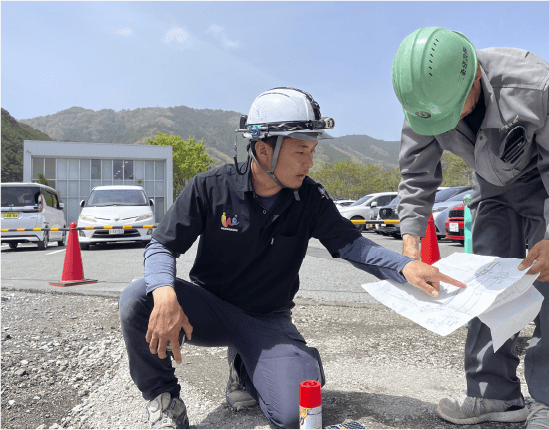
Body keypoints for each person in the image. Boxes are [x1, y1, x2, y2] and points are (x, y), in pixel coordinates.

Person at [119, 87, 465, 430]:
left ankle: (246, 367)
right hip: (210, 310)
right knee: (139, 296)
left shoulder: (310, 198)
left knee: (296, 414)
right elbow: (162, 246)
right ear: (264, 149)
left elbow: (353, 245)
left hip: (267, 320)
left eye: (313, 150)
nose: (310, 162)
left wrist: (405, 265)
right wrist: (164, 291)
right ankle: (165, 401)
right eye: (301, 151)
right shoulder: (210, 187)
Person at [391, 28, 549, 430]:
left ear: (474, 78)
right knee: (485, 285)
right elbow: (416, 175)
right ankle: (494, 395)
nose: (453, 121)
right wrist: (411, 241)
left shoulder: (532, 83)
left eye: (458, 108)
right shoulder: (424, 100)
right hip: (492, 188)